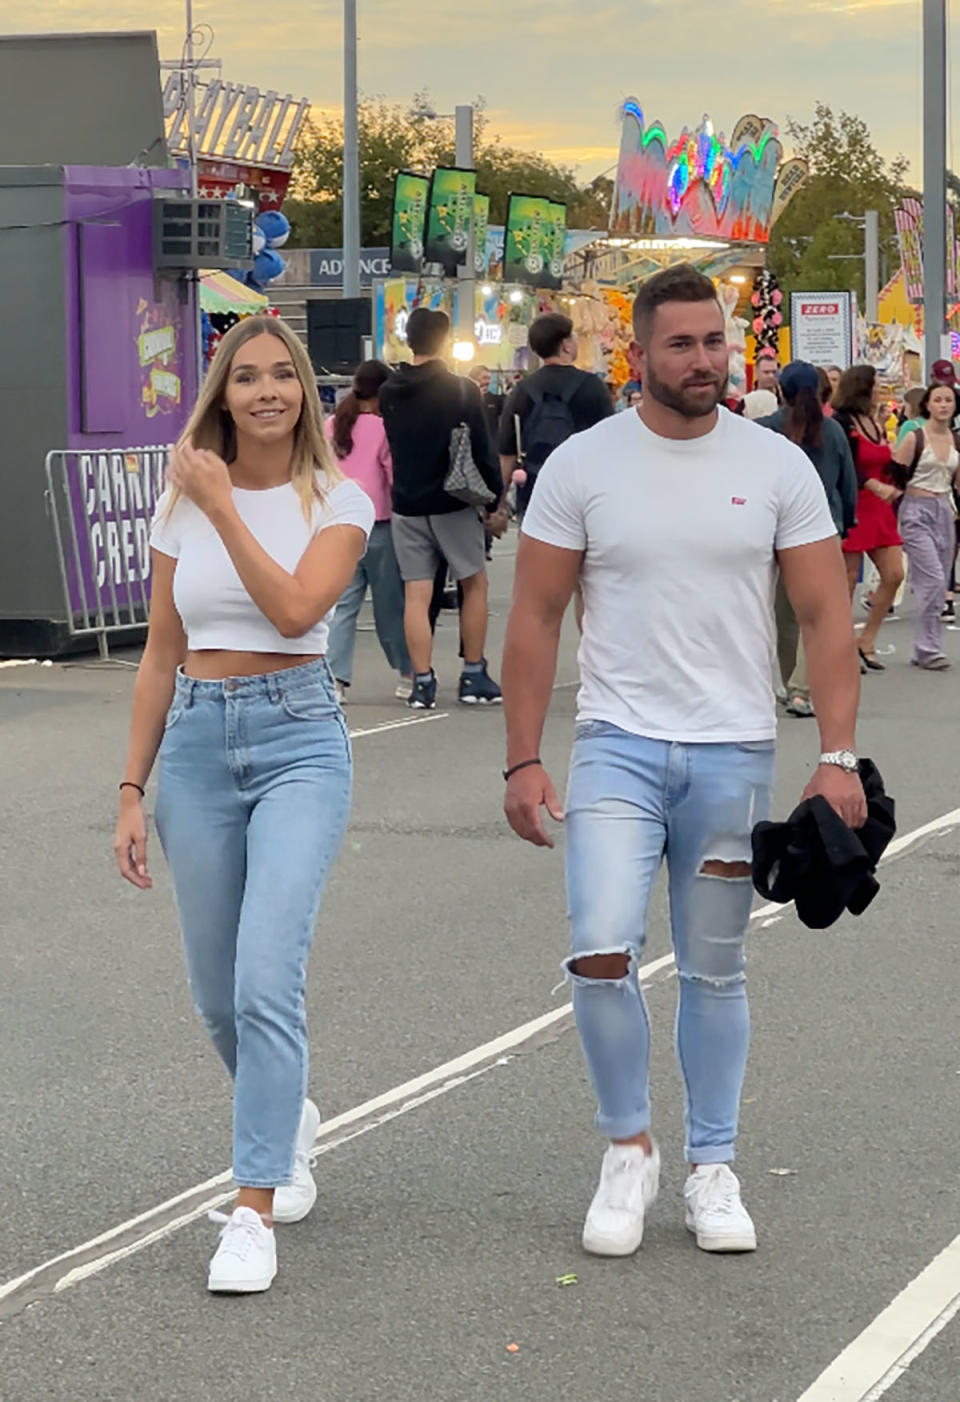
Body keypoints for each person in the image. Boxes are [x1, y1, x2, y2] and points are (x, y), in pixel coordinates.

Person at [501, 263, 865, 1262]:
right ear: (639, 354)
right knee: (600, 947)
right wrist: (521, 759)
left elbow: (827, 616)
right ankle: (630, 1148)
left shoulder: (779, 468)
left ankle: (713, 1165)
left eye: (715, 342)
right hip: (617, 747)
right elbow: (532, 618)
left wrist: (836, 755)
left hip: (733, 749)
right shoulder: (584, 466)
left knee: (714, 969)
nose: (704, 360)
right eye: (681, 343)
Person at [113, 316, 375, 1294]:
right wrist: (131, 788)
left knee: (269, 978)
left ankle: (253, 1206)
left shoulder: (336, 499)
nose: (267, 391)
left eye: (284, 376)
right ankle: (285, 1114)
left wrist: (223, 506)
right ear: (221, 393)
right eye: (246, 377)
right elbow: (157, 652)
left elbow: (300, 611)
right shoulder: (180, 505)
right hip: (193, 744)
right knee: (218, 995)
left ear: (308, 392)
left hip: (299, 739)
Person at [379, 307, 503, 710]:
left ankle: (422, 681)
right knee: (473, 583)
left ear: (408, 340)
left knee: (417, 591)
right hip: (453, 500)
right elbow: (483, 448)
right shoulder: (462, 389)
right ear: (445, 341)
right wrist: (494, 499)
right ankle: (473, 674)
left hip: (407, 503)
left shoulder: (389, 391)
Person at [758, 361, 859, 718]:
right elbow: (847, 483)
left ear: (779, 391)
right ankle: (802, 689)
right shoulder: (831, 431)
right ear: (818, 391)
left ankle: (790, 685)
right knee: (817, 616)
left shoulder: (763, 431)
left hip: (774, 531)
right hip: (821, 531)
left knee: (784, 615)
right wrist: (846, 521)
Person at [325, 360, 412, 702]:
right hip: (379, 524)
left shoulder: (331, 425)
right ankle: (407, 672)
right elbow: (392, 476)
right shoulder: (383, 428)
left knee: (343, 605)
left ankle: (335, 678)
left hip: (338, 525)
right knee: (390, 605)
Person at [497, 313, 613, 521]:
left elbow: (507, 454)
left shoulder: (522, 390)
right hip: (585, 494)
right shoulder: (593, 386)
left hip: (534, 492)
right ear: (566, 345)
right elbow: (610, 444)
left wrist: (499, 503)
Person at [833, 365, 905, 673]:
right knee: (847, 581)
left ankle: (867, 638)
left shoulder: (874, 422)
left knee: (894, 574)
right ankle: (840, 645)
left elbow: (883, 460)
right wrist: (873, 484)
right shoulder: (841, 422)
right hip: (856, 503)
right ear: (862, 387)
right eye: (876, 385)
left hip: (880, 508)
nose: (880, 390)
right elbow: (846, 464)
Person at [891, 382, 960, 669]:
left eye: (948, 400)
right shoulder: (915, 438)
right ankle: (927, 648)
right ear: (928, 405)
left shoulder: (955, 441)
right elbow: (895, 474)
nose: (943, 405)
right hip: (916, 509)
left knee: (938, 579)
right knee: (932, 578)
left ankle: (927, 646)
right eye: (938, 400)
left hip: (945, 510)